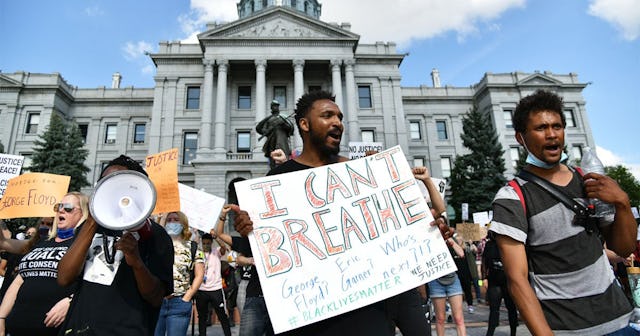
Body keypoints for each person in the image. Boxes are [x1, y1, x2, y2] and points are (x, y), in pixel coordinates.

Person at [230, 91, 454, 336]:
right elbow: (266, 255)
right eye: (327, 116)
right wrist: (249, 228)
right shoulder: (276, 180)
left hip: (369, 315)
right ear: (304, 125)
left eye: (340, 116)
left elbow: (395, 241)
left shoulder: (362, 173)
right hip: (308, 319)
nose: (338, 122)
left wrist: (428, 230)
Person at [490, 89, 636, 335]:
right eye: (540, 128)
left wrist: (622, 203)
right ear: (520, 138)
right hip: (567, 329)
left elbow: (623, 248)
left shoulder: (589, 181)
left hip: (619, 321)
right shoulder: (512, 198)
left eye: (557, 126)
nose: (551, 134)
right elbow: (517, 280)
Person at [58, 155, 174, 336]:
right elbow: (64, 277)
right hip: (79, 328)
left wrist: (136, 262)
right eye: (103, 183)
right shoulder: (88, 226)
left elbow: (156, 297)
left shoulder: (156, 235)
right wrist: (91, 222)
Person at [0, 192, 87, 336]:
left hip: (56, 329)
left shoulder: (83, 245)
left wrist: (71, 301)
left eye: (69, 208)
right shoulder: (41, 242)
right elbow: (19, 282)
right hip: (18, 328)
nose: (61, 210)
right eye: (59, 206)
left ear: (83, 214)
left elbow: (93, 284)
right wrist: (1, 316)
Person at [194, 232, 232, 336]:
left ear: (211, 243)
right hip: (201, 289)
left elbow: (224, 247)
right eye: (204, 243)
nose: (206, 245)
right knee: (202, 317)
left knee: (222, 315)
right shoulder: (198, 253)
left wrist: (216, 238)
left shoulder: (216, 252)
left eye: (208, 243)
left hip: (216, 289)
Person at [481, 234, 518, 336]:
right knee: (493, 309)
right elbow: (484, 261)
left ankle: (513, 332)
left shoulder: (509, 242)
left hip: (508, 280)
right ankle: (490, 333)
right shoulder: (489, 245)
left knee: (511, 307)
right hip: (494, 280)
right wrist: (484, 278)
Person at [256, 100, 294, 169]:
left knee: (284, 164)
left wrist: (283, 124)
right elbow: (260, 129)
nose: (275, 107)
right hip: (272, 143)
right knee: (273, 164)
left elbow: (290, 129)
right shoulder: (269, 119)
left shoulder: (283, 117)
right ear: (271, 107)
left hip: (282, 143)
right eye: (273, 106)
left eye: (276, 106)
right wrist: (267, 131)